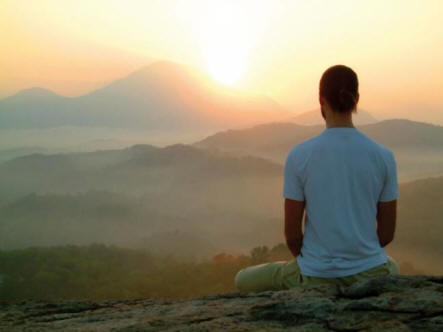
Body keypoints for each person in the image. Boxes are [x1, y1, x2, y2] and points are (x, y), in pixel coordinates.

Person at [235, 65, 399, 292]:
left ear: (321, 100)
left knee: (242, 279)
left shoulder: (299, 155)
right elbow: (386, 234)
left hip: (314, 276)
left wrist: (316, 264)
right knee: (393, 266)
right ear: (357, 99)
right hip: (370, 273)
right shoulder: (384, 156)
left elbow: (292, 236)